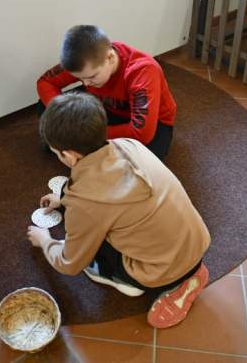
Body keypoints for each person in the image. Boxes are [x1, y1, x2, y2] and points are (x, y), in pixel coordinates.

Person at [27, 92, 211, 328]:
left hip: (159, 271)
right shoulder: (128, 144)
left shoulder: (85, 204)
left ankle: (138, 281)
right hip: (195, 243)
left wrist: (45, 241)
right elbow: (114, 190)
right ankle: (189, 272)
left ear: (70, 156)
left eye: (56, 153)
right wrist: (64, 197)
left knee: (93, 251)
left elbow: (69, 263)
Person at [36, 25, 176, 160]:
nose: (86, 83)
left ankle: (81, 147)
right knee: (50, 106)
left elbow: (142, 133)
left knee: (147, 159)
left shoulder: (142, 71)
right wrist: (65, 115)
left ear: (110, 58)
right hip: (104, 108)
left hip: (151, 122)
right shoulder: (83, 60)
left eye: (92, 77)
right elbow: (45, 82)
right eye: (80, 78)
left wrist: (86, 134)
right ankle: (88, 149)